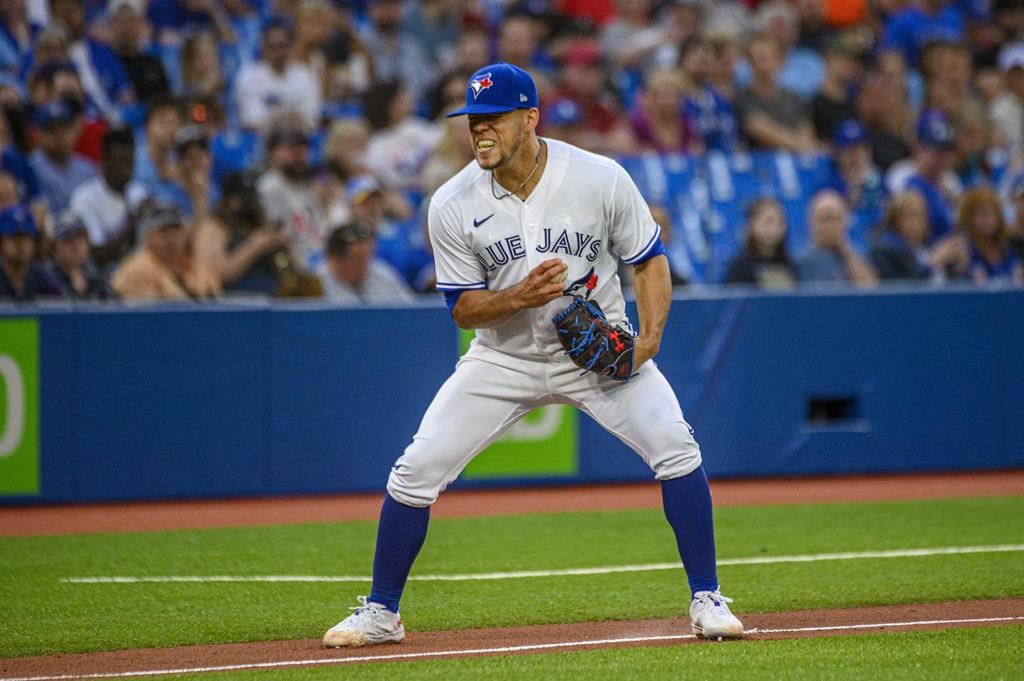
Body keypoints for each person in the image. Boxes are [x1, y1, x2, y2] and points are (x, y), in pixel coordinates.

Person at [322, 62, 744, 648]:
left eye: (493, 119)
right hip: (503, 358)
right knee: (415, 472)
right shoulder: (451, 202)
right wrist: (519, 295)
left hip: (599, 355)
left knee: (676, 446)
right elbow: (464, 310)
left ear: (530, 118)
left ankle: (707, 598)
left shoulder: (598, 177)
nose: (480, 132)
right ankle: (381, 613)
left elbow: (647, 258)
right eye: (473, 122)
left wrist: (648, 341)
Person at [193, 171, 289, 295]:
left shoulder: (259, 225)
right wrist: (254, 247)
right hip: (234, 302)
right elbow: (214, 275)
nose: (250, 204)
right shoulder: (213, 227)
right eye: (243, 199)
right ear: (228, 200)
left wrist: (283, 246)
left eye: (252, 198)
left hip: (271, 299)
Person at [69, 127, 148, 270]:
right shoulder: (84, 198)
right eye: (119, 164)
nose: (125, 170)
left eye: (129, 163)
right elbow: (98, 255)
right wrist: (132, 220)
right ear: (104, 161)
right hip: (100, 279)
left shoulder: (139, 192)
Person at [112, 201, 220, 300]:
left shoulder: (197, 267)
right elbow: (146, 314)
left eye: (175, 231)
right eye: (163, 232)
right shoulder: (136, 269)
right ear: (148, 237)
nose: (171, 239)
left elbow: (215, 300)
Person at [234, 20, 321, 132]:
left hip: (300, 138)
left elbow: (312, 117)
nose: (279, 52)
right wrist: (287, 118)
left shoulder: (305, 75)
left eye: (282, 46)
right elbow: (251, 120)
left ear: (290, 47)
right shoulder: (249, 76)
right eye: (273, 47)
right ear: (263, 48)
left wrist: (278, 117)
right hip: (264, 140)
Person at [868, 190, 968, 282]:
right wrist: (933, 262)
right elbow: (902, 290)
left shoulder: (932, 245)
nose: (916, 222)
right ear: (894, 220)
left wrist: (959, 267)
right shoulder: (883, 251)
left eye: (921, 215)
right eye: (909, 216)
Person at [795, 189, 878, 286]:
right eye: (824, 220)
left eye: (835, 219)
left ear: (846, 221)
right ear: (811, 223)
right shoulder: (801, 261)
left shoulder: (861, 253)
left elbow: (871, 289)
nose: (830, 226)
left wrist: (845, 250)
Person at [29, 99, 97, 215]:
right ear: (39, 134)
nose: (59, 135)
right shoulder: (31, 168)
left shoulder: (87, 168)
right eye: (51, 130)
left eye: (65, 128)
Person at [320, 220, 414, 305]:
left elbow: (411, 310)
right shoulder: (317, 285)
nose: (363, 266)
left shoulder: (382, 274)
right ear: (334, 259)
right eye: (356, 259)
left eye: (367, 257)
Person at [723, 197, 798, 288]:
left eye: (780, 223)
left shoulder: (790, 265)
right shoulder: (739, 269)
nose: (774, 229)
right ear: (751, 224)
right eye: (767, 222)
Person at [957, 187, 1024, 284]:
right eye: (981, 214)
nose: (987, 219)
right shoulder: (964, 251)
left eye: (992, 213)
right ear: (968, 218)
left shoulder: (1011, 246)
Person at [45, 211, 116, 300]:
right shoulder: (45, 279)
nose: (75, 246)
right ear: (54, 247)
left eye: (80, 239)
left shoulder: (96, 277)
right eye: (68, 240)